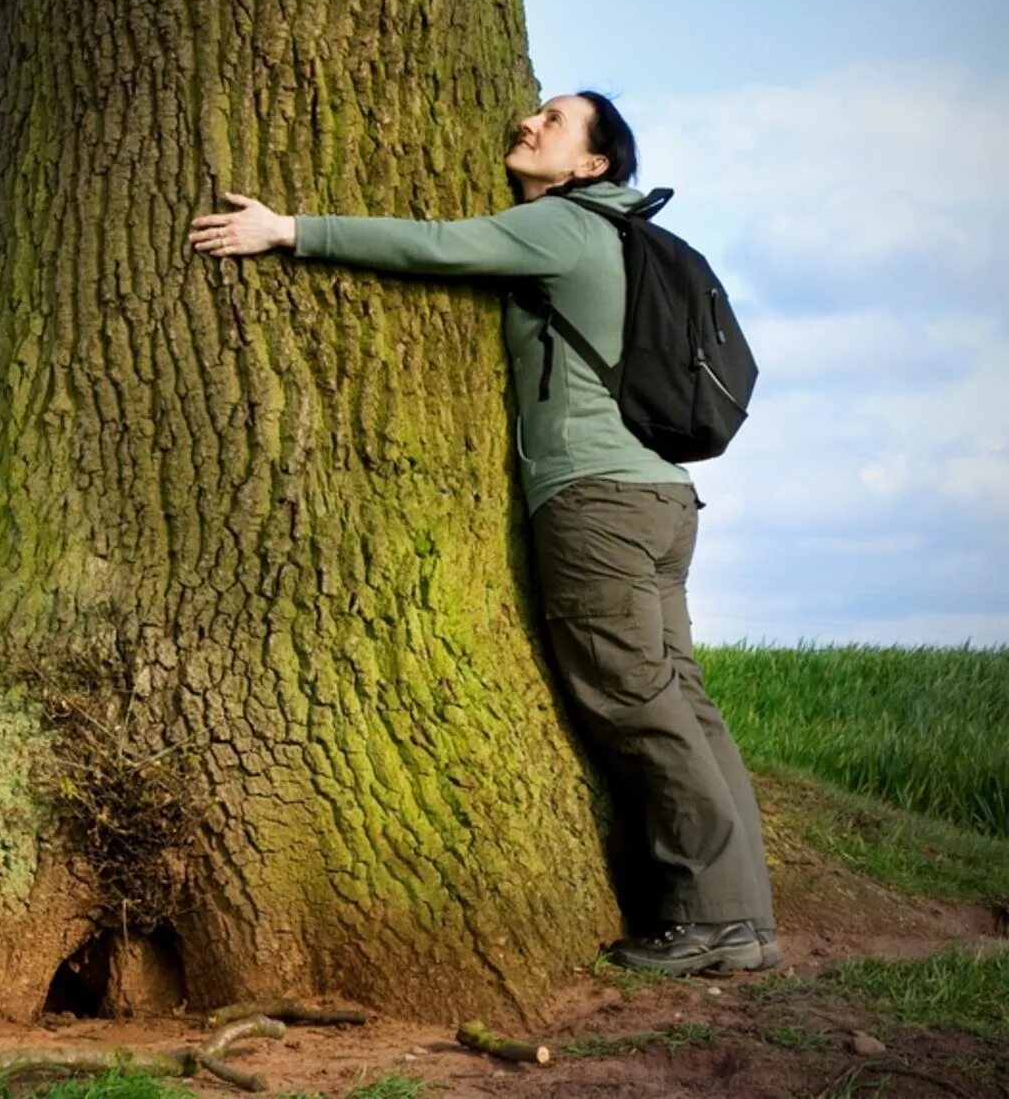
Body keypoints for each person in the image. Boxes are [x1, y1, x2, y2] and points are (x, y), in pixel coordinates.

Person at [186, 91, 778, 978]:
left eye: (555, 121)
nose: (529, 124)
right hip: (661, 498)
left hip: (596, 498)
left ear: (592, 165)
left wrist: (291, 230)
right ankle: (744, 917)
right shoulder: (619, 233)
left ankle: (714, 917)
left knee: (635, 702)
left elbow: (437, 245)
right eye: (534, 112)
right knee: (682, 698)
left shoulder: (567, 227)